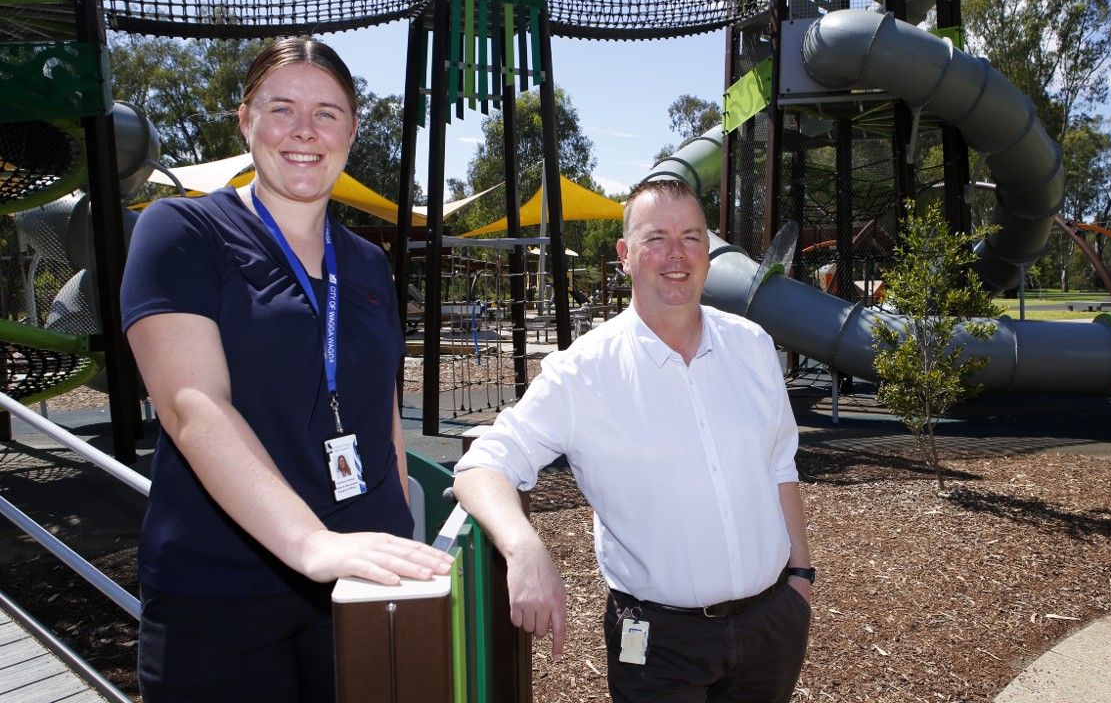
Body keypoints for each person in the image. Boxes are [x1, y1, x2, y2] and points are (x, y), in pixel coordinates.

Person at [121, 37, 453, 703]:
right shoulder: (181, 232)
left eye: (328, 113)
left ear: (353, 131)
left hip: (362, 578)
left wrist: (395, 530)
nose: (305, 131)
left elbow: (377, 408)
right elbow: (193, 405)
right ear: (245, 120)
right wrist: (311, 542)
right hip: (223, 593)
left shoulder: (365, 263)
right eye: (282, 108)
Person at [453, 178, 813, 702]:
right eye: (656, 238)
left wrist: (799, 577)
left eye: (692, 237)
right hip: (660, 644)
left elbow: (780, 466)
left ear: (709, 252)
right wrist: (524, 546)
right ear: (625, 254)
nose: (677, 255)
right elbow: (482, 465)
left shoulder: (752, 346)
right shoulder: (582, 373)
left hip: (771, 624)